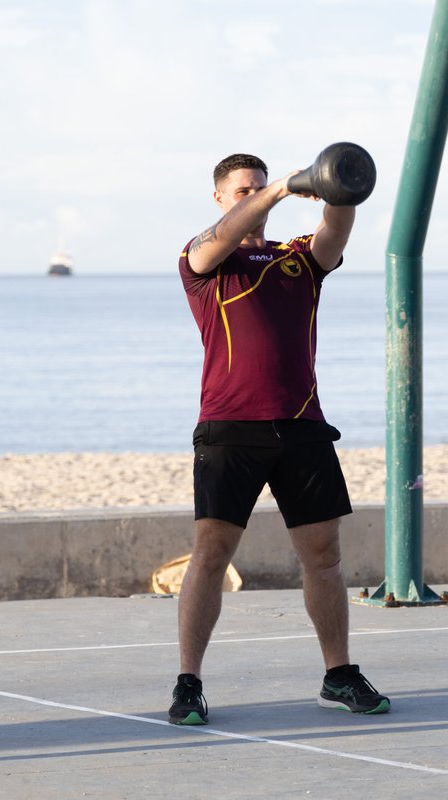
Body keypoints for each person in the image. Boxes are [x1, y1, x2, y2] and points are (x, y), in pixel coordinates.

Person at [169, 153, 388, 725]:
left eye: (259, 188)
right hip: (228, 428)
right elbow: (215, 243)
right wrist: (284, 188)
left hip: (302, 426)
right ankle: (188, 682)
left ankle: (338, 676)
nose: (253, 196)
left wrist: (336, 186)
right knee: (211, 555)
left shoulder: (297, 258)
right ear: (220, 198)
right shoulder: (203, 259)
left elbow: (335, 231)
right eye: (242, 190)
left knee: (324, 557)